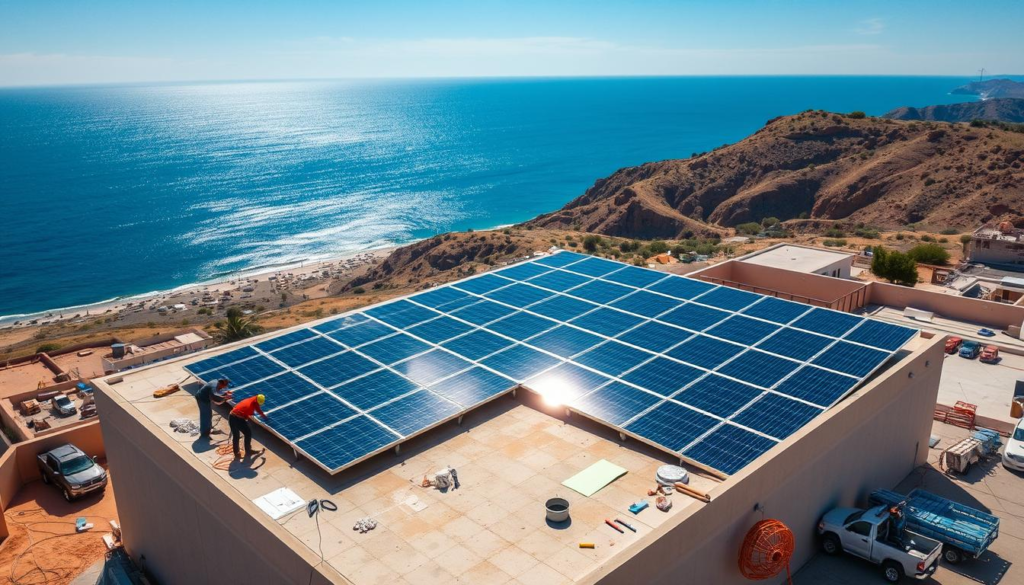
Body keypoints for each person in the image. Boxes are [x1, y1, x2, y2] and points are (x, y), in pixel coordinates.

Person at [229, 394, 268, 459]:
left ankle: (247, 450)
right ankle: (237, 453)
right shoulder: (249, 407)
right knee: (238, 435)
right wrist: (260, 415)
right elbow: (247, 416)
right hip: (235, 418)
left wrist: (263, 415)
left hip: (235, 416)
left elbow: (257, 407)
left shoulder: (254, 399)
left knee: (247, 433)